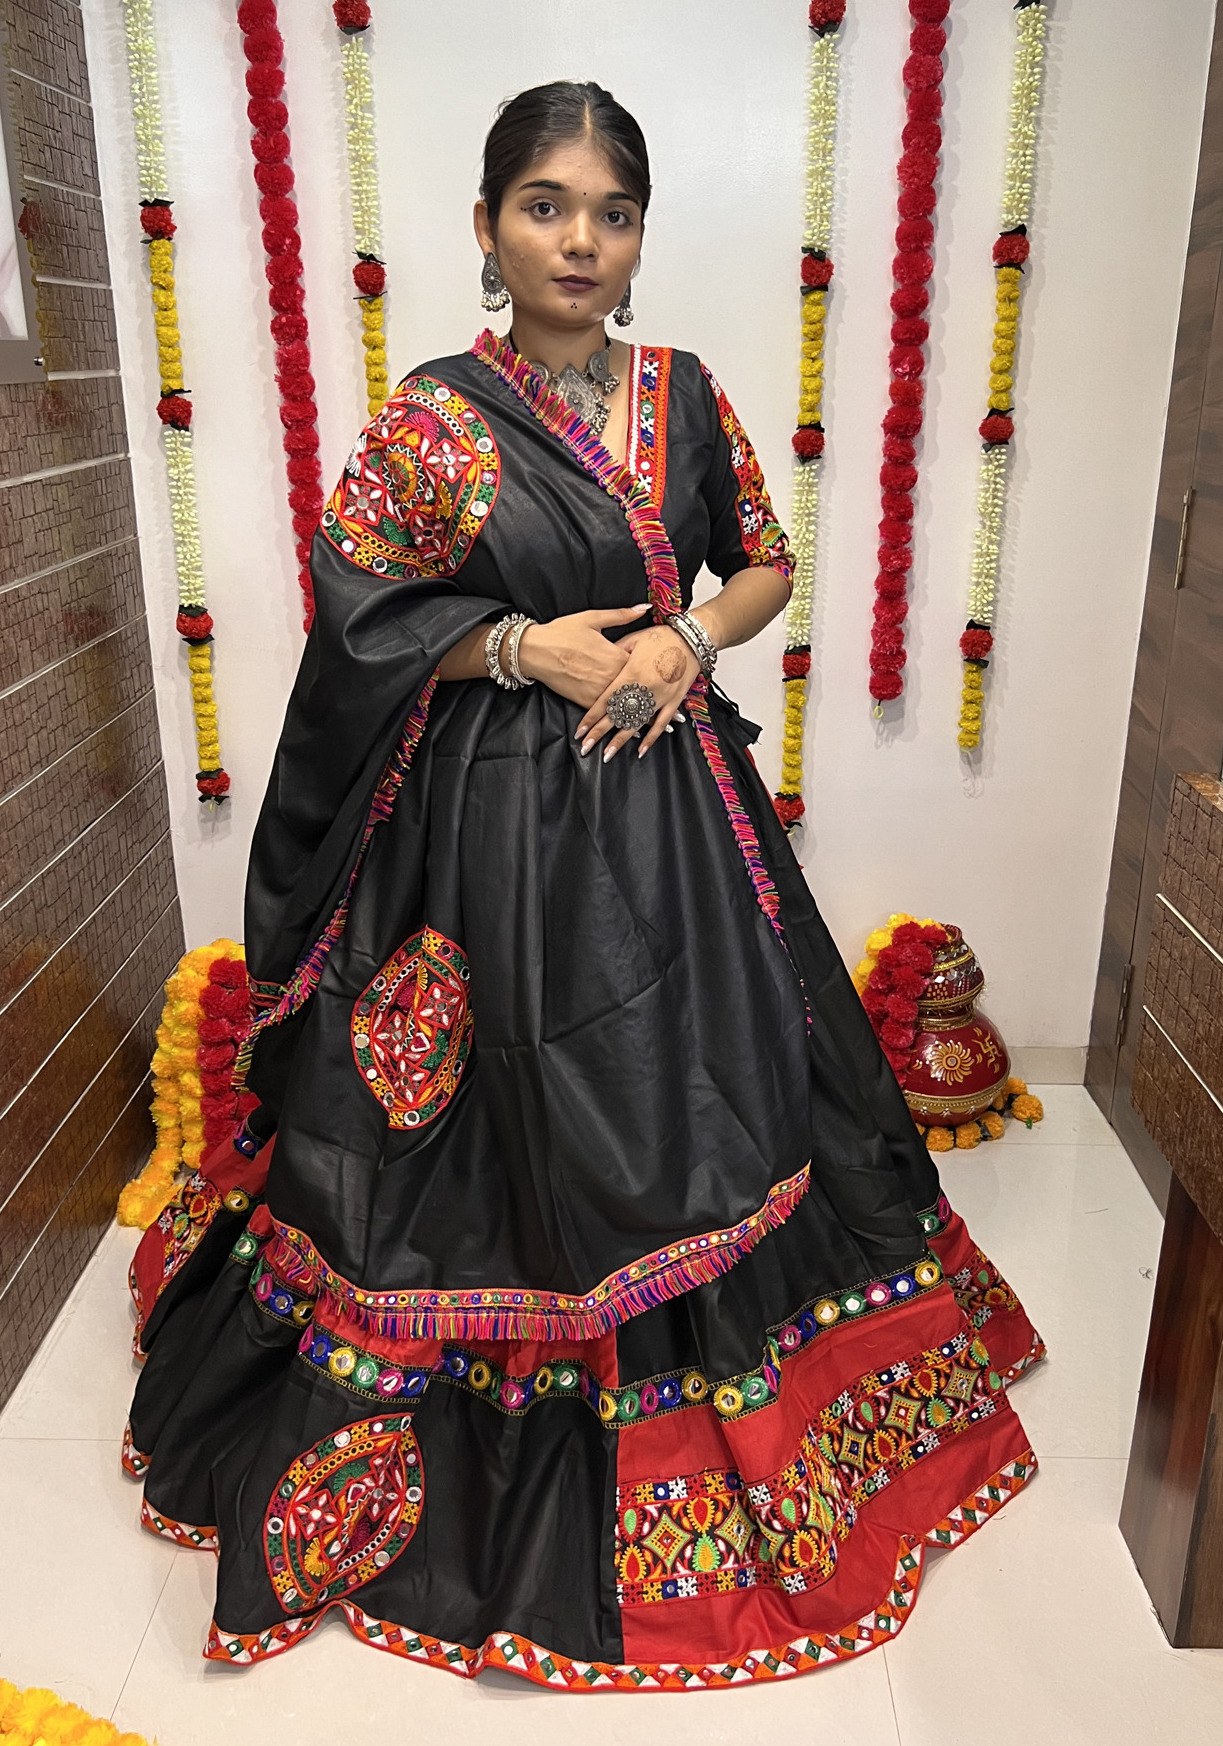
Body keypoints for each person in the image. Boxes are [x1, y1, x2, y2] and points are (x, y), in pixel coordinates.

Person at [124, 80, 1041, 1689]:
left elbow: (764, 561)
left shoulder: (685, 398)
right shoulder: (433, 418)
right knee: (496, 1122)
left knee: (706, 1090)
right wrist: (510, 646)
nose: (580, 241)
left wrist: (688, 636)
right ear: (487, 228)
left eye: (612, 213)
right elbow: (359, 617)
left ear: (637, 239)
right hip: (481, 839)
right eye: (545, 207)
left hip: (675, 820)